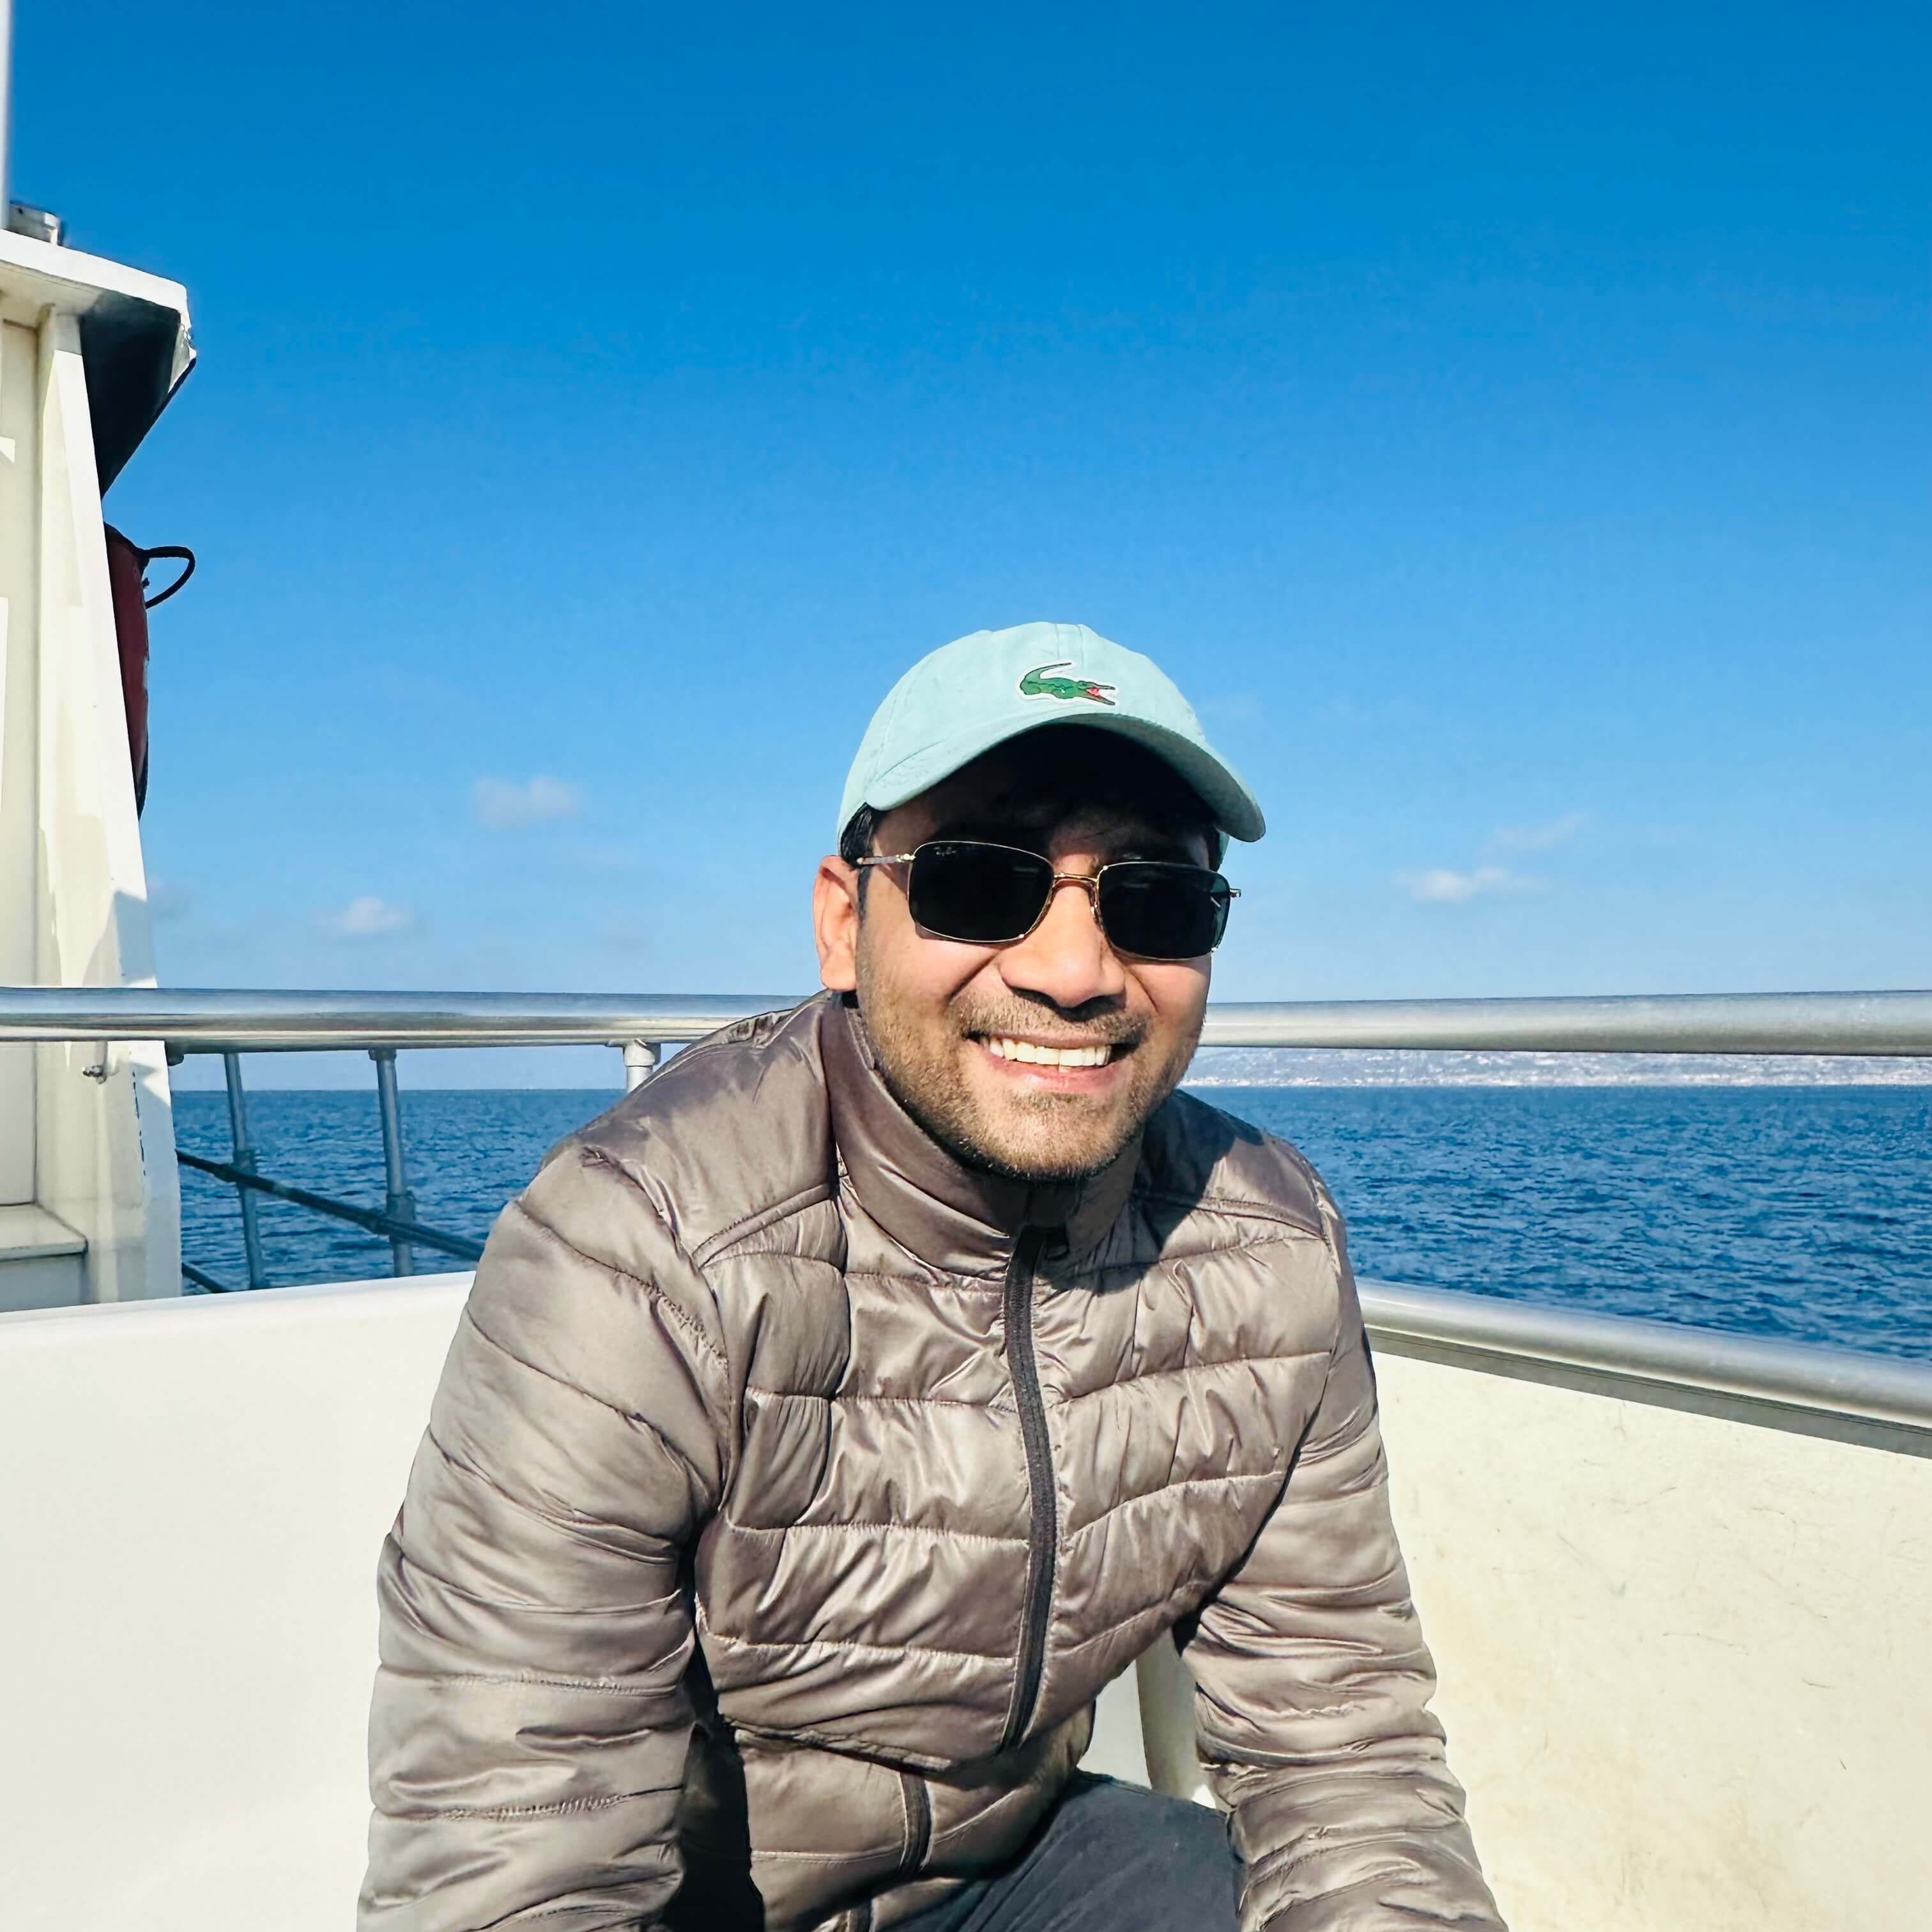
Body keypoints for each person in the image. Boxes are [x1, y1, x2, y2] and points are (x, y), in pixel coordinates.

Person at [360, 622, 1503, 1932]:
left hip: (1021, 1861)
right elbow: (516, 1866)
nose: (1074, 972)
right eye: (979, 882)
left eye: (1154, 900)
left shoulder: (1268, 1248)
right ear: (845, 924)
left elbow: (1344, 1757)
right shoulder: (641, 1251)